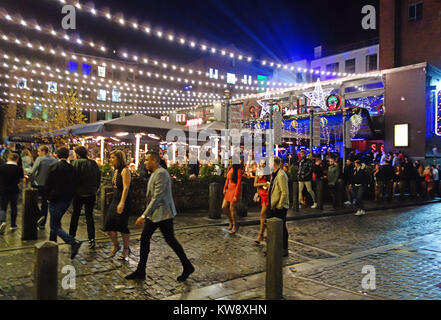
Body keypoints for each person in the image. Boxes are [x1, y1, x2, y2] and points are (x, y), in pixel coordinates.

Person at [125, 151, 195, 282]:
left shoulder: (161, 174)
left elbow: (158, 197)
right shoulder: (155, 173)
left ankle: (187, 266)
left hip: (162, 214)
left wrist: (144, 215)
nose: (144, 162)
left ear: (154, 160)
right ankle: (141, 270)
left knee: (169, 240)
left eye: (146, 160)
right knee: (149, 239)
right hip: (156, 214)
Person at [45, 147, 82, 259]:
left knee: (54, 225)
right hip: (67, 199)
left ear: (56, 155)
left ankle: (72, 242)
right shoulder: (72, 168)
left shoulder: (53, 167)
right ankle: (52, 244)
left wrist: (47, 197)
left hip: (55, 198)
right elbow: (75, 183)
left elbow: (48, 184)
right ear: (67, 155)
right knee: (55, 222)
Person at [69, 146, 101, 249]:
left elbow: (72, 179)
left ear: (77, 154)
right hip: (90, 193)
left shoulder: (75, 164)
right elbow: (98, 178)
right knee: (89, 216)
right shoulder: (93, 163)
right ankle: (92, 239)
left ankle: (71, 236)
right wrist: (95, 189)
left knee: (75, 215)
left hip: (78, 194)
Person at [104, 150, 132, 260]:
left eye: (113, 158)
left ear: (119, 159)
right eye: (110, 158)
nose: (111, 160)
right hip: (115, 200)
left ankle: (126, 248)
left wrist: (122, 202)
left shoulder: (125, 170)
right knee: (109, 224)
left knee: (122, 225)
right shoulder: (115, 170)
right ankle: (116, 245)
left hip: (123, 200)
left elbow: (126, 187)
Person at [30, 145, 57, 229]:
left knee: (32, 201)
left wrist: (31, 180)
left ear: (43, 151)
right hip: (49, 186)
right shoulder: (54, 160)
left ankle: (39, 215)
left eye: (38, 151)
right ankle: (42, 223)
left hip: (39, 184)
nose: (38, 153)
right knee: (45, 204)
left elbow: (33, 171)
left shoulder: (39, 159)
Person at [268, 157, 289, 257]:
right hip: (272, 204)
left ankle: (283, 248)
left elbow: (284, 192)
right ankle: (273, 248)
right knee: (272, 227)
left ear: (274, 164)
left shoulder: (281, 175)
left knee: (281, 228)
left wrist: (280, 205)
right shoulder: (274, 174)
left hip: (278, 206)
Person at [0, 152, 24, 234]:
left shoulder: (2, 167)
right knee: (14, 207)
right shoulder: (19, 169)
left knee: (3, 207)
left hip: (3, 190)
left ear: (8, 158)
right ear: (17, 159)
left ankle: (2, 221)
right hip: (14, 190)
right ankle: (13, 224)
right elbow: (21, 180)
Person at [222, 161, 243, 234]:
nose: (230, 163)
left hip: (234, 190)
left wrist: (236, 195)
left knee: (232, 209)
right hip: (229, 190)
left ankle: (235, 225)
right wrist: (224, 188)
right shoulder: (230, 169)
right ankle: (231, 221)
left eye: (231, 161)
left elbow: (238, 183)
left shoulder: (238, 171)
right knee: (224, 207)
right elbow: (227, 179)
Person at [253, 160, 270, 244]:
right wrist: (263, 184)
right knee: (265, 216)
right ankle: (266, 234)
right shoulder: (258, 172)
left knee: (262, 214)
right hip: (262, 194)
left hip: (267, 195)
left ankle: (260, 235)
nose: (262, 165)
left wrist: (267, 184)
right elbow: (255, 184)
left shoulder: (268, 173)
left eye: (263, 163)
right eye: (261, 163)